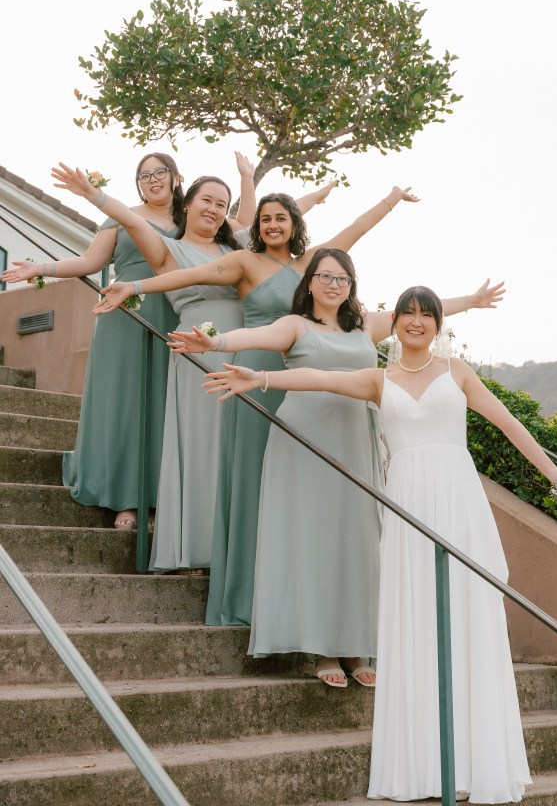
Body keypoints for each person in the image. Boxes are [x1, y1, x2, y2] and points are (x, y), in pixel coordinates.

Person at [203, 286, 557, 803]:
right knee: (415, 620)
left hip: (459, 503)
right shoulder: (377, 380)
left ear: (438, 324)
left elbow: (509, 425)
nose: (416, 321)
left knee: (468, 617)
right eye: (408, 313)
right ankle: (422, 768)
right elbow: (320, 377)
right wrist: (261, 378)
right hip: (408, 506)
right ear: (396, 322)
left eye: (426, 314)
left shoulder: (458, 373)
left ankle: (476, 763)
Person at [168, 258, 505, 689]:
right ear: (309, 283)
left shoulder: (366, 324)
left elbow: (417, 315)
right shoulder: (294, 324)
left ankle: (357, 644)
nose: (333, 283)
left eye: (342, 277)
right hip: (305, 439)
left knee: (359, 542)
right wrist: (216, 342)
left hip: (356, 441)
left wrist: (472, 301)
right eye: (324, 276)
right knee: (313, 541)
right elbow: (254, 336)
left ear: (351, 284)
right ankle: (322, 647)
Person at [92, 185, 419, 623]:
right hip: (255, 373)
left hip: (302, 381)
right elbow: (189, 276)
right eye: (265, 219)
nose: (272, 225)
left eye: (281, 218)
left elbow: (354, 232)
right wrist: (133, 285)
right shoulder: (244, 261)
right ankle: (247, 591)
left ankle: (300, 596)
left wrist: (390, 199)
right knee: (252, 480)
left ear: (295, 224)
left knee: (299, 487)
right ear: (257, 227)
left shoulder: (311, 264)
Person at [50, 161, 337, 572]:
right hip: (201, 351)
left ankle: (245, 546)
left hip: (247, 351)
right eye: (207, 200)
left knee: (240, 452)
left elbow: (276, 218)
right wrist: (92, 194)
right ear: (187, 204)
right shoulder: (168, 248)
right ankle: (200, 549)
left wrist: (298, 192)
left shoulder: (236, 249)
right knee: (204, 450)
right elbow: (131, 220)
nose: (214, 209)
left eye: (222, 204)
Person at [2, 152, 187, 530]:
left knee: (164, 406)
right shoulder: (120, 215)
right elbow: (90, 262)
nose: (153, 180)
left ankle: (158, 499)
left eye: (160, 172)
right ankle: (126, 500)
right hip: (124, 316)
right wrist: (41, 268)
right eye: (144, 175)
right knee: (125, 404)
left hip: (173, 317)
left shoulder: (190, 221)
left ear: (176, 176)